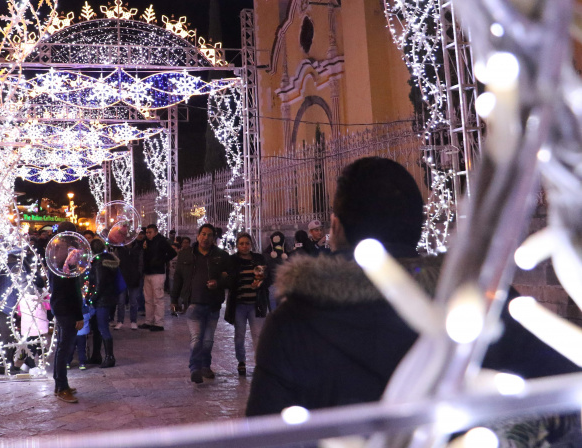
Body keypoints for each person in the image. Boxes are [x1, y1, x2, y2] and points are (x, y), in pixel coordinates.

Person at [246, 157, 580, 419]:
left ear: (335, 227)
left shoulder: (293, 323)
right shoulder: (486, 305)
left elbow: (267, 434)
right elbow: (562, 394)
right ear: (418, 229)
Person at [171, 223, 231, 383]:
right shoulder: (185, 254)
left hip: (213, 303)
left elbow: (229, 278)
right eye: (203, 234)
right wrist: (174, 299)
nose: (206, 237)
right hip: (193, 303)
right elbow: (177, 278)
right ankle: (195, 368)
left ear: (213, 238)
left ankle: (205, 366)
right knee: (197, 339)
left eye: (209, 235)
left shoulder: (221, 256)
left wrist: (218, 283)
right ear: (197, 236)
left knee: (208, 341)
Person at [48, 222, 85, 403]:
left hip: (59, 304)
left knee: (63, 346)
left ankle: (61, 384)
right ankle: (61, 387)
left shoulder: (55, 251)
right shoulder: (66, 256)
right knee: (65, 347)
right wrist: (78, 315)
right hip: (66, 307)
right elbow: (72, 289)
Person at [225, 232, 269, 376]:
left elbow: (268, 277)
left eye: (247, 243)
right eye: (241, 244)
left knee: (258, 335)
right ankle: (241, 361)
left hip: (255, 304)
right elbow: (230, 281)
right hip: (239, 304)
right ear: (237, 245)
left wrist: (261, 282)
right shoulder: (232, 260)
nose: (244, 246)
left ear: (251, 244)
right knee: (239, 335)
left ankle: (260, 363)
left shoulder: (258, 258)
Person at [87, 239, 120, 367]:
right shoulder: (107, 260)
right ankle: (96, 355)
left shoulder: (99, 263)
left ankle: (109, 357)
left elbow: (99, 284)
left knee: (102, 328)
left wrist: (92, 298)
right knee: (96, 328)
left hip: (102, 300)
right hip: (107, 298)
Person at [141, 224, 176, 331]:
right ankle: (149, 320)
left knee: (158, 298)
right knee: (148, 298)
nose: (147, 234)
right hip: (148, 272)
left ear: (155, 232)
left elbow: (172, 253)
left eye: (150, 232)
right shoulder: (147, 242)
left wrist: (162, 260)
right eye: (147, 232)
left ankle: (158, 323)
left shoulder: (161, 241)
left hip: (158, 273)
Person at [115, 232, 143, 330]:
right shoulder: (119, 249)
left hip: (134, 278)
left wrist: (138, 274)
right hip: (122, 278)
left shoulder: (138, 249)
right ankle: (120, 321)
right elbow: (116, 262)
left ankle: (133, 321)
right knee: (121, 302)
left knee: (133, 301)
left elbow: (140, 263)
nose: (127, 241)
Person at [262, 231, 287, 311]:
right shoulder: (287, 254)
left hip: (271, 286)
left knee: (273, 314)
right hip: (284, 287)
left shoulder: (266, 255)